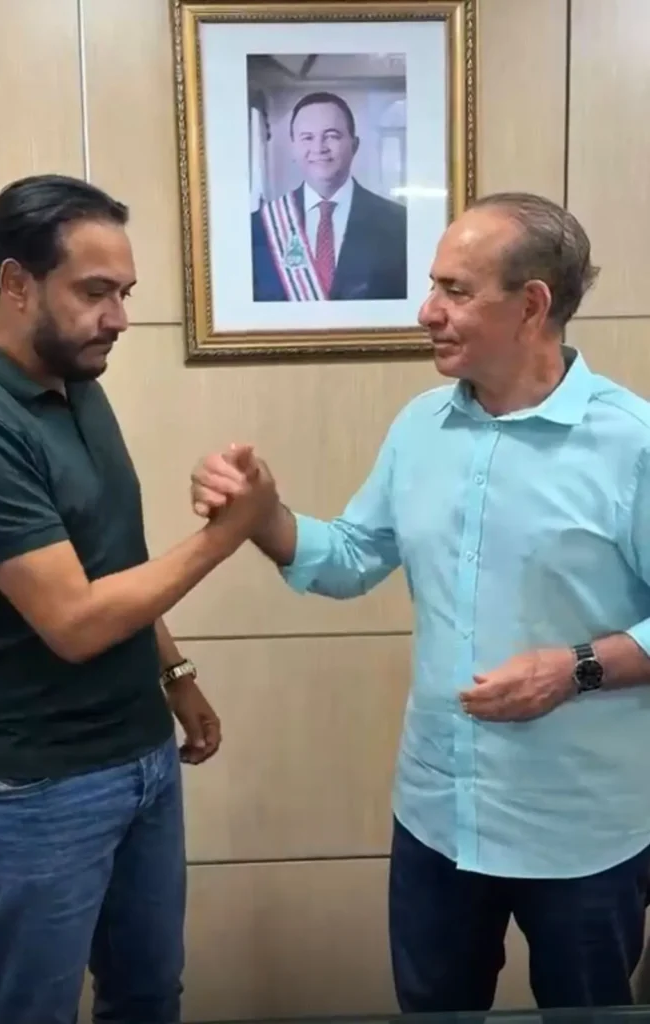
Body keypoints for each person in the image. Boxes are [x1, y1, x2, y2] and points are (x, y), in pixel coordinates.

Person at [192, 192, 650, 1011]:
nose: (426, 311)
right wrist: (262, 515)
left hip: (583, 832)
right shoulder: (419, 427)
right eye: (432, 286)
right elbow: (350, 559)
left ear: (531, 305)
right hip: (438, 817)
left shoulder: (632, 443)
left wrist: (574, 668)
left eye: (454, 291)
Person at [0, 174, 270, 1024]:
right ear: (16, 283)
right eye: (94, 292)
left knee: (147, 995)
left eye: (125, 293)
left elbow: (112, 565)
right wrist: (229, 534)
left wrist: (174, 673)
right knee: (36, 1010)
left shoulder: (77, 381)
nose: (118, 317)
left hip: (138, 752)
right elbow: (75, 623)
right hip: (31, 781)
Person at [251, 91, 407, 302]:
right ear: (293, 148)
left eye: (332, 136)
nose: (319, 148)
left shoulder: (399, 224)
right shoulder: (258, 227)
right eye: (307, 138)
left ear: (354, 145)